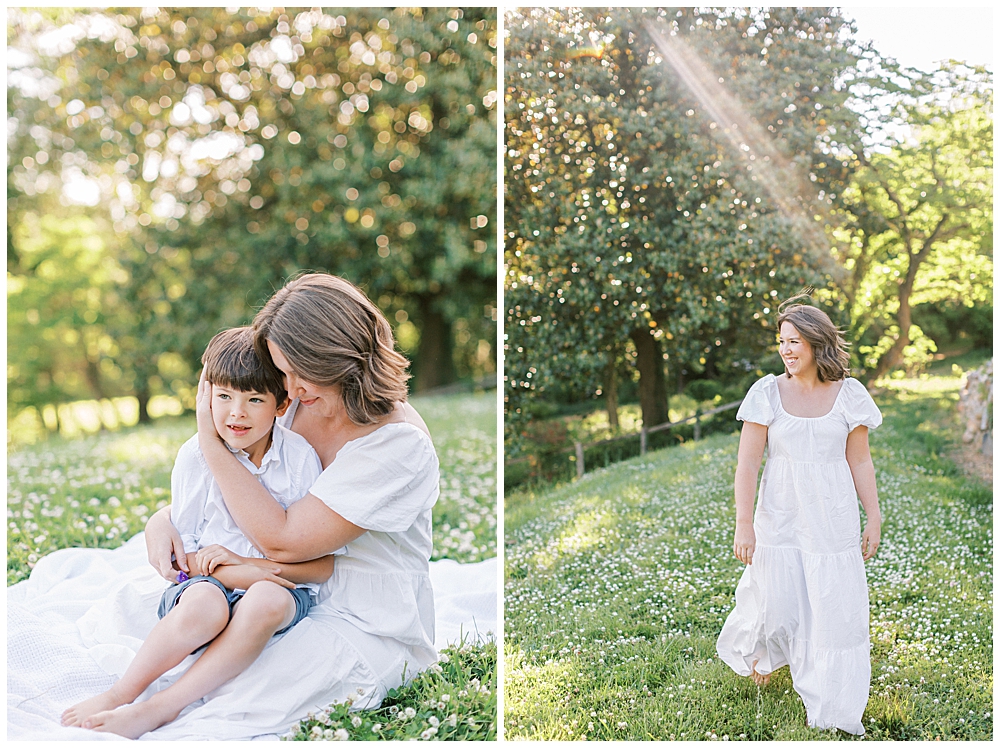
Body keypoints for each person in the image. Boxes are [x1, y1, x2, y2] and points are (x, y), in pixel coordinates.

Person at [88, 272, 440, 739]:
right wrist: (164, 518)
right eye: (281, 372)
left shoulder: (398, 444)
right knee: (182, 621)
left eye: (298, 371)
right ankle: (147, 696)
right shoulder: (300, 400)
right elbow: (249, 488)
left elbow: (284, 539)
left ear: (337, 356)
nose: (289, 389)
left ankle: (159, 709)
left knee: (241, 698)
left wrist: (209, 441)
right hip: (269, 581)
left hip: (357, 613)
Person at [61, 327, 334, 736]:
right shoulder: (195, 456)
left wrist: (251, 569)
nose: (236, 413)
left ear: (281, 406)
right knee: (205, 605)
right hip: (207, 583)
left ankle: (162, 707)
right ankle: (122, 693)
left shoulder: (298, 460)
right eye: (223, 396)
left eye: (254, 400)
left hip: (279, 588)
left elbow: (320, 566)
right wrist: (229, 574)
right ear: (205, 397)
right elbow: (183, 556)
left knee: (264, 601)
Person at [716, 295, 882, 735]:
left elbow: (860, 462)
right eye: (782, 342)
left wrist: (874, 516)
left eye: (796, 341)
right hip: (781, 515)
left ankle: (833, 696)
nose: (787, 350)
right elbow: (748, 464)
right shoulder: (767, 393)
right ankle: (768, 654)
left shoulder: (849, 394)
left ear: (817, 343)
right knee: (777, 595)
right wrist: (744, 522)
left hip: (832, 518)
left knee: (833, 606)